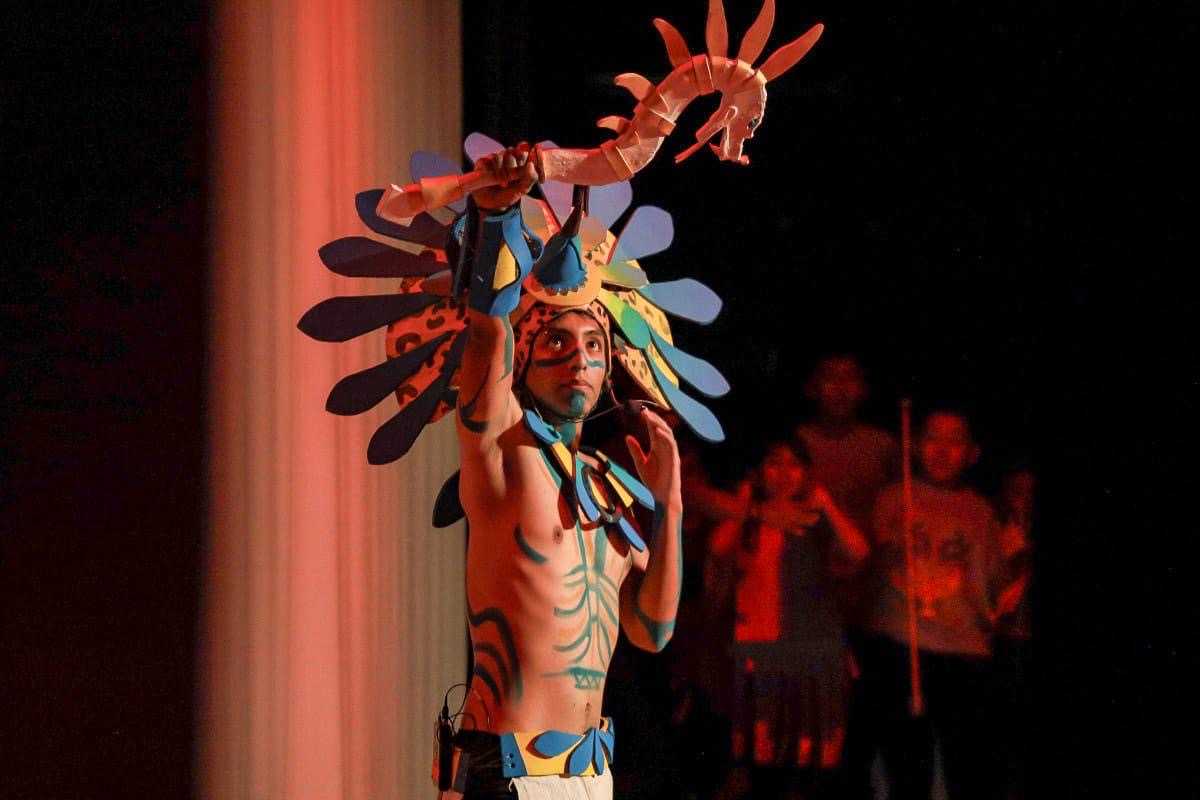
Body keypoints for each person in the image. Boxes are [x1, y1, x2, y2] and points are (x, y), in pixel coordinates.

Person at [858, 408, 1013, 800]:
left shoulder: (981, 513)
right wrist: (884, 557)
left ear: (972, 453)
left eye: (954, 440)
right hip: (899, 645)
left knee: (965, 766)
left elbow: (994, 590)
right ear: (914, 445)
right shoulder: (892, 498)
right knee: (906, 767)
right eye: (932, 438)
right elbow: (864, 575)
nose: (942, 450)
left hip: (960, 653)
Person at [709, 438, 869, 799]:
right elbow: (718, 547)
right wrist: (747, 505)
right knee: (761, 760)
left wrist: (825, 502)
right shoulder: (748, 519)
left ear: (806, 473)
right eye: (774, 463)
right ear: (759, 471)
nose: (783, 474)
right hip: (760, 652)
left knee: (809, 762)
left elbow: (858, 550)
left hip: (812, 652)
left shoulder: (814, 518)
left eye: (794, 465)